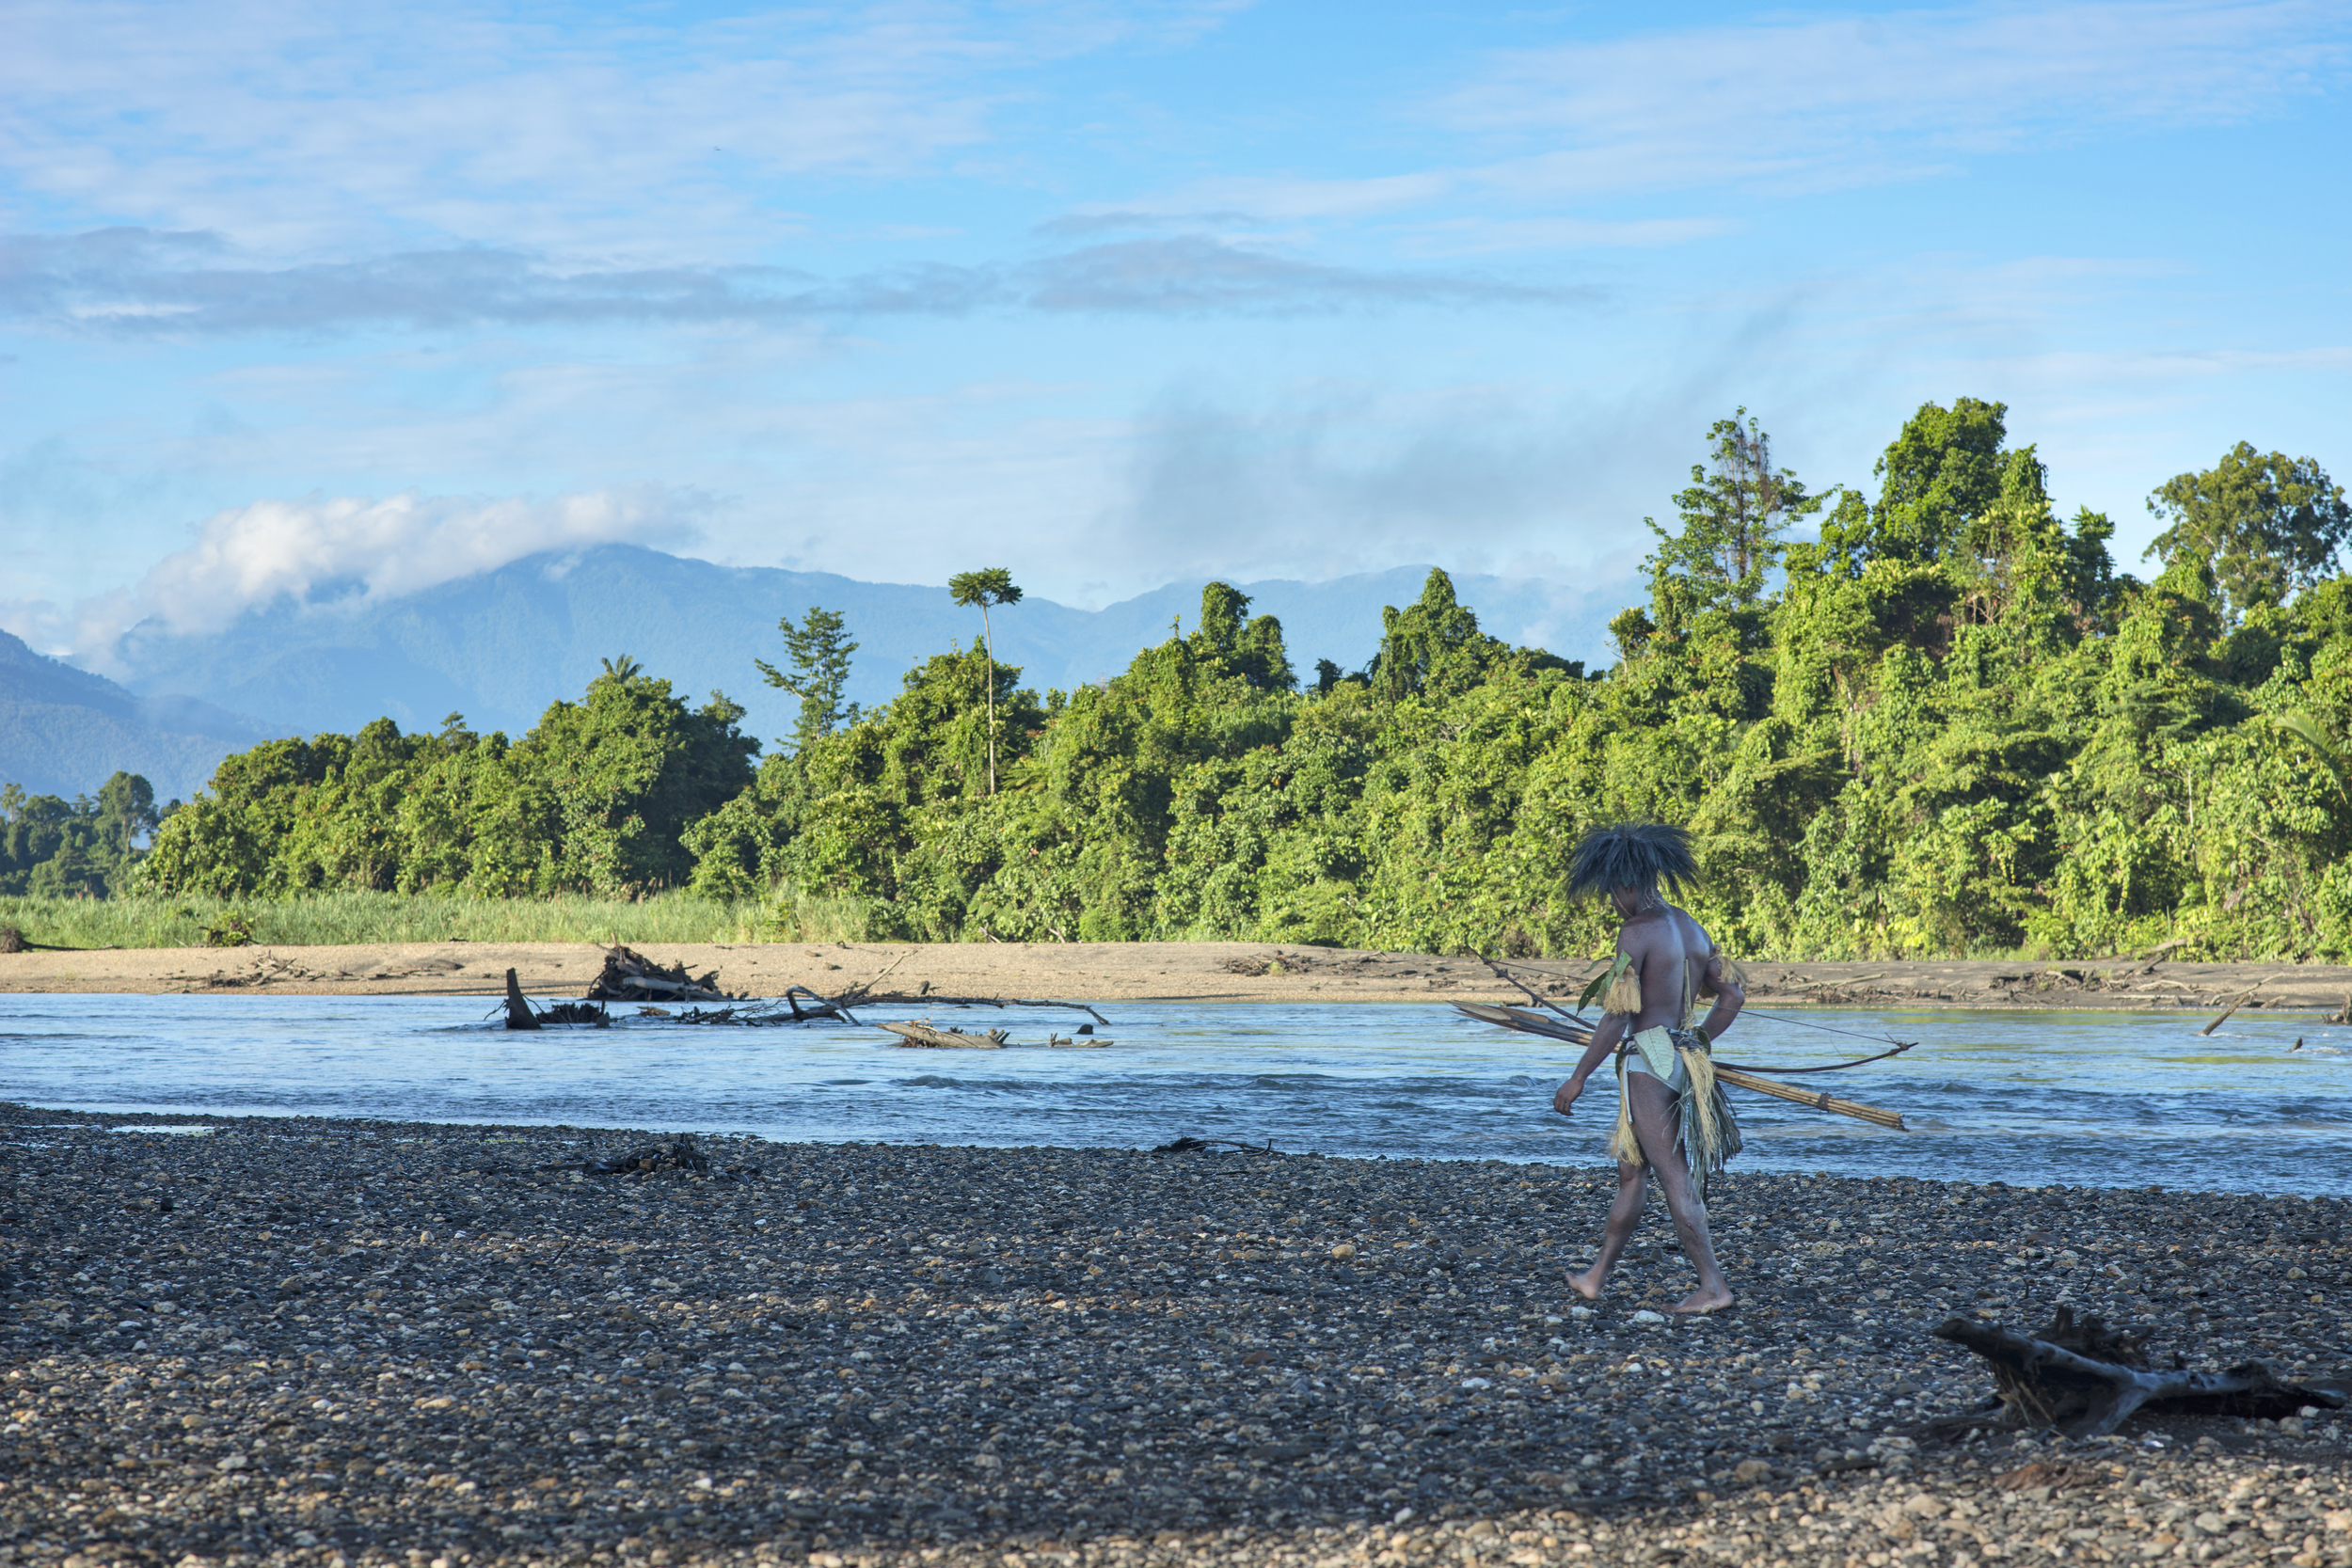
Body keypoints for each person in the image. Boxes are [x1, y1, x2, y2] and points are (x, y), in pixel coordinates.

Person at [1549, 821, 1745, 1315]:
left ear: (1626, 883)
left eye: (1613, 891)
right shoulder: (1692, 927)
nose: (1614, 901)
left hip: (1649, 1062)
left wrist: (1578, 1077)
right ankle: (1596, 1277)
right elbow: (1732, 996)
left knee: (1673, 1176)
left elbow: (1617, 1016)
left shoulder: (1635, 932)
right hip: (1683, 1058)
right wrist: (1697, 1042)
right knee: (1631, 1172)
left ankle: (1713, 1287)